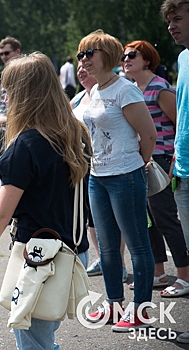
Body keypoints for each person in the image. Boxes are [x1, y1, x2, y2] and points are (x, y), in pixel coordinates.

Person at [0, 52, 91, 350]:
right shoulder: (74, 132)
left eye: (9, 90)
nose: (6, 97)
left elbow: (0, 216)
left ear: (24, 94)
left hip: (40, 257)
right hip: (73, 250)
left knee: (34, 342)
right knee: (41, 339)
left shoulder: (26, 144)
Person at [77, 30, 156, 331]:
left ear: (107, 55)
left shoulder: (125, 90)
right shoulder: (95, 90)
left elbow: (149, 135)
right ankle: (114, 305)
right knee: (108, 248)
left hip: (125, 176)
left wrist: (139, 165)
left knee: (137, 247)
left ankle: (142, 310)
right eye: (80, 54)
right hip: (98, 177)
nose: (83, 59)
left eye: (89, 52)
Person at [122, 40, 189, 297]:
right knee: (148, 221)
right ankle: (159, 272)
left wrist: (174, 160)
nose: (125, 59)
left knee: (166, 218)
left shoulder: (160, 88)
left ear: (147, 59)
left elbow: (180, 123)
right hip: (140, 162)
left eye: (131, 55)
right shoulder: (130, 89)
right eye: (123, 56)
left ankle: (184, 274)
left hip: (161, 161)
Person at [71, 62, 129, 282]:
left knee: (114, 218)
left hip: (109, 165)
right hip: (82, 166)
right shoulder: (76, 99)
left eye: (85, 67)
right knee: (91, 218)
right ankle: (103, 257)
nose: (81, 71)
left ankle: (119, 263)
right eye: (78, 68)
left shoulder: (110, 94)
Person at [162, 0, 189, 343]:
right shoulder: (182, 59)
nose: (171, 26)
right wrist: (174, 157)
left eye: (178, 18)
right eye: (169, 21)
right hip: (182, 168)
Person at [0, 36, 21, 156]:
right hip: (1, 128)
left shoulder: (25, 73)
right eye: (1, 54)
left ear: (17, 51)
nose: (4, 57)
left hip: (17, 126)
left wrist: (8, 119)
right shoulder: (1, 76)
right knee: (4, 166)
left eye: (7, 53)